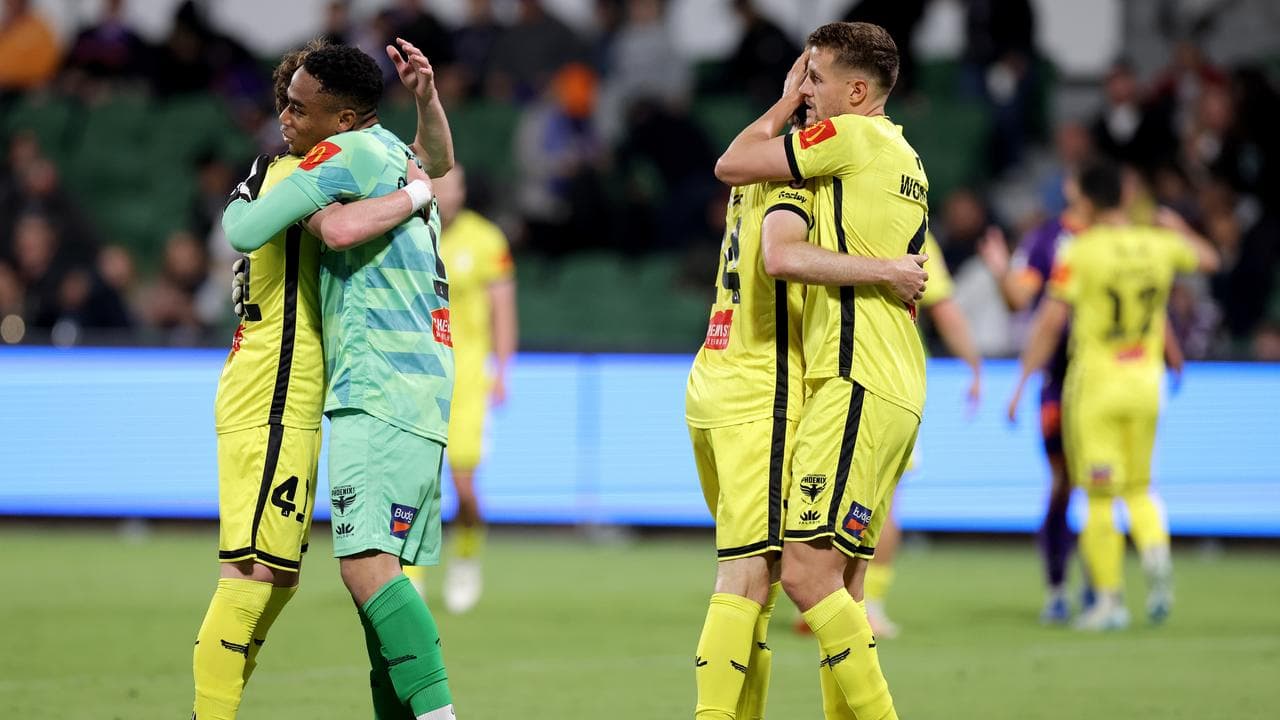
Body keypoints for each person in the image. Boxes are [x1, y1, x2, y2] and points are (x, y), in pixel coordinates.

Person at [213, 41, 459, 719]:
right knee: (377, 584)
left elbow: (246, 226)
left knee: (364, 568)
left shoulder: (345, 156)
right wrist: (428, 101)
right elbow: (435, 162)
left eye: (300, 107)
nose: (284, 117)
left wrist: (297, 204)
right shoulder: (387, 150)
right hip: (424, 381)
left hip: (376, 382)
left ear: (343, 117)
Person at [715, 22, 928, 720]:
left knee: (805, 574)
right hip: (896, 384)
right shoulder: (906, 156)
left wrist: (779, 108)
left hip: (855, 378)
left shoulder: (851, 138)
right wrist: (889, 272)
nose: (807, 92)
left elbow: (735, 166)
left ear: (857, 90)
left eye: (817, 79)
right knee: (847, 584)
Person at [1008, 159, 1219, 631]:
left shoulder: (1082, 251)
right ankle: (1157, 566)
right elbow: (1211, 260)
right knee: (1141, 490)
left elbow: (1049, 321)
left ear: (1085, 199)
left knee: (1100, 498)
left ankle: (1108, 602)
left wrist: (1023, 379)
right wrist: (1179, 226)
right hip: (1147, 383)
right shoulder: (1158, 244)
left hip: (1098, 387)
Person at [404, 165, 517, 614]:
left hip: (469, 379)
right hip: (418, 376)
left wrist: (504, 370)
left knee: (463, 486)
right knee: (415, 481)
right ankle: (412, 576)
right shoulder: (409, 233)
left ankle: (466, 557)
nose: (448, 195)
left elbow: (503, 310)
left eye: (456, 187)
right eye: (441, 186)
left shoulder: (487, 241)